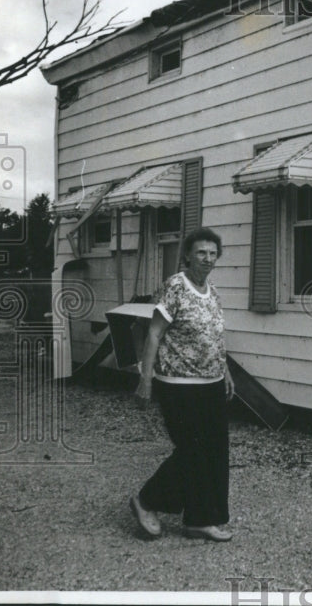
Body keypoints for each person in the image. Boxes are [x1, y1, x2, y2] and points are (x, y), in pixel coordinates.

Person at [129, 227, 235, 541]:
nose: (207, 259)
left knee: (215, 451)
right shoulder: (175, 287)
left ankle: (200, 520)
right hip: (178, 383)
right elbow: (154, 333)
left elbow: (213, 339)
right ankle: (146, 501)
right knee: (192, 450)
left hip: (212, 383)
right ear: (187, 255)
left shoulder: (212, 292)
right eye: (201, 252)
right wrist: (145, 379)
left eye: (213, 253)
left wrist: (225, 371)